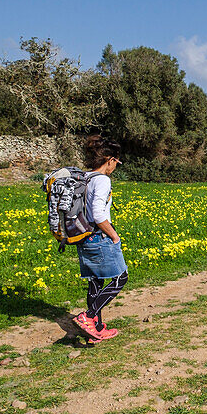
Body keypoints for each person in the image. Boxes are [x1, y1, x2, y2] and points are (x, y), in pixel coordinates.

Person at [70, 135, 129, 343]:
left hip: (83, 237)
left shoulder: (83, 178)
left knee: (96, 281)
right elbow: (98, 214)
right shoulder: (103, 180)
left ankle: (95, 329)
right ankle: (88, 316)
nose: (115, 166)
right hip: (100, 236)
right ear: (110, 159)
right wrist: (114, 235)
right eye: (116, 162)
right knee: (120, 278)